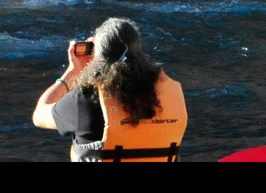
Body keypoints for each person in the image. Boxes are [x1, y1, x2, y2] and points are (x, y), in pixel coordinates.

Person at [33, 18, 188, 162]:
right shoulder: (168, 96)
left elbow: (39, 116)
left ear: (98, 57)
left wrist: (72, 72)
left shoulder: (86, 101)